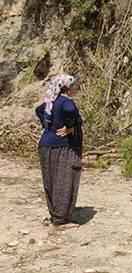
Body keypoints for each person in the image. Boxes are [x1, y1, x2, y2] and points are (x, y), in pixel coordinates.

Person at [35, 74, 83, 227]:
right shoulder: (66, 102)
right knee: (65, 179)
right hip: (63, 146)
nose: (76, 88)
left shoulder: (50, 102)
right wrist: (70, 127)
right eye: (74, 86)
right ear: (67, 87)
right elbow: (69, 110)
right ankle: (61, 219)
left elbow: (38, 110)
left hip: (45, 145)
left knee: (51, 181)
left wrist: (48, 125)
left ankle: (55, 214)